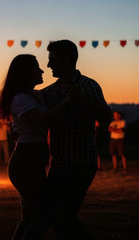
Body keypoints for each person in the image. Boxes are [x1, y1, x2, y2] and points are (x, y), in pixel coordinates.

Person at [0, 54, 80, 240]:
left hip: (34, 159)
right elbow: (40, 119)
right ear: (26, 73)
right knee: (43, 214)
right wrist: (68, 102)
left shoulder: (35, 95)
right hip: (25, 161)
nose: (42, 71)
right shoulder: (19, 99)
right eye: (37, 68)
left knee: (30, 217)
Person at [42, 40, 111, 240]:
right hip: (58, 164)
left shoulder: (88, 85)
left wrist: (84, 101)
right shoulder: (50, 91)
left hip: (81, 162)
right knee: (54, 215)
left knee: (61, 215)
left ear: (68, 60)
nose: (48, 66)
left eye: (53, 60)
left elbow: (106, 117)